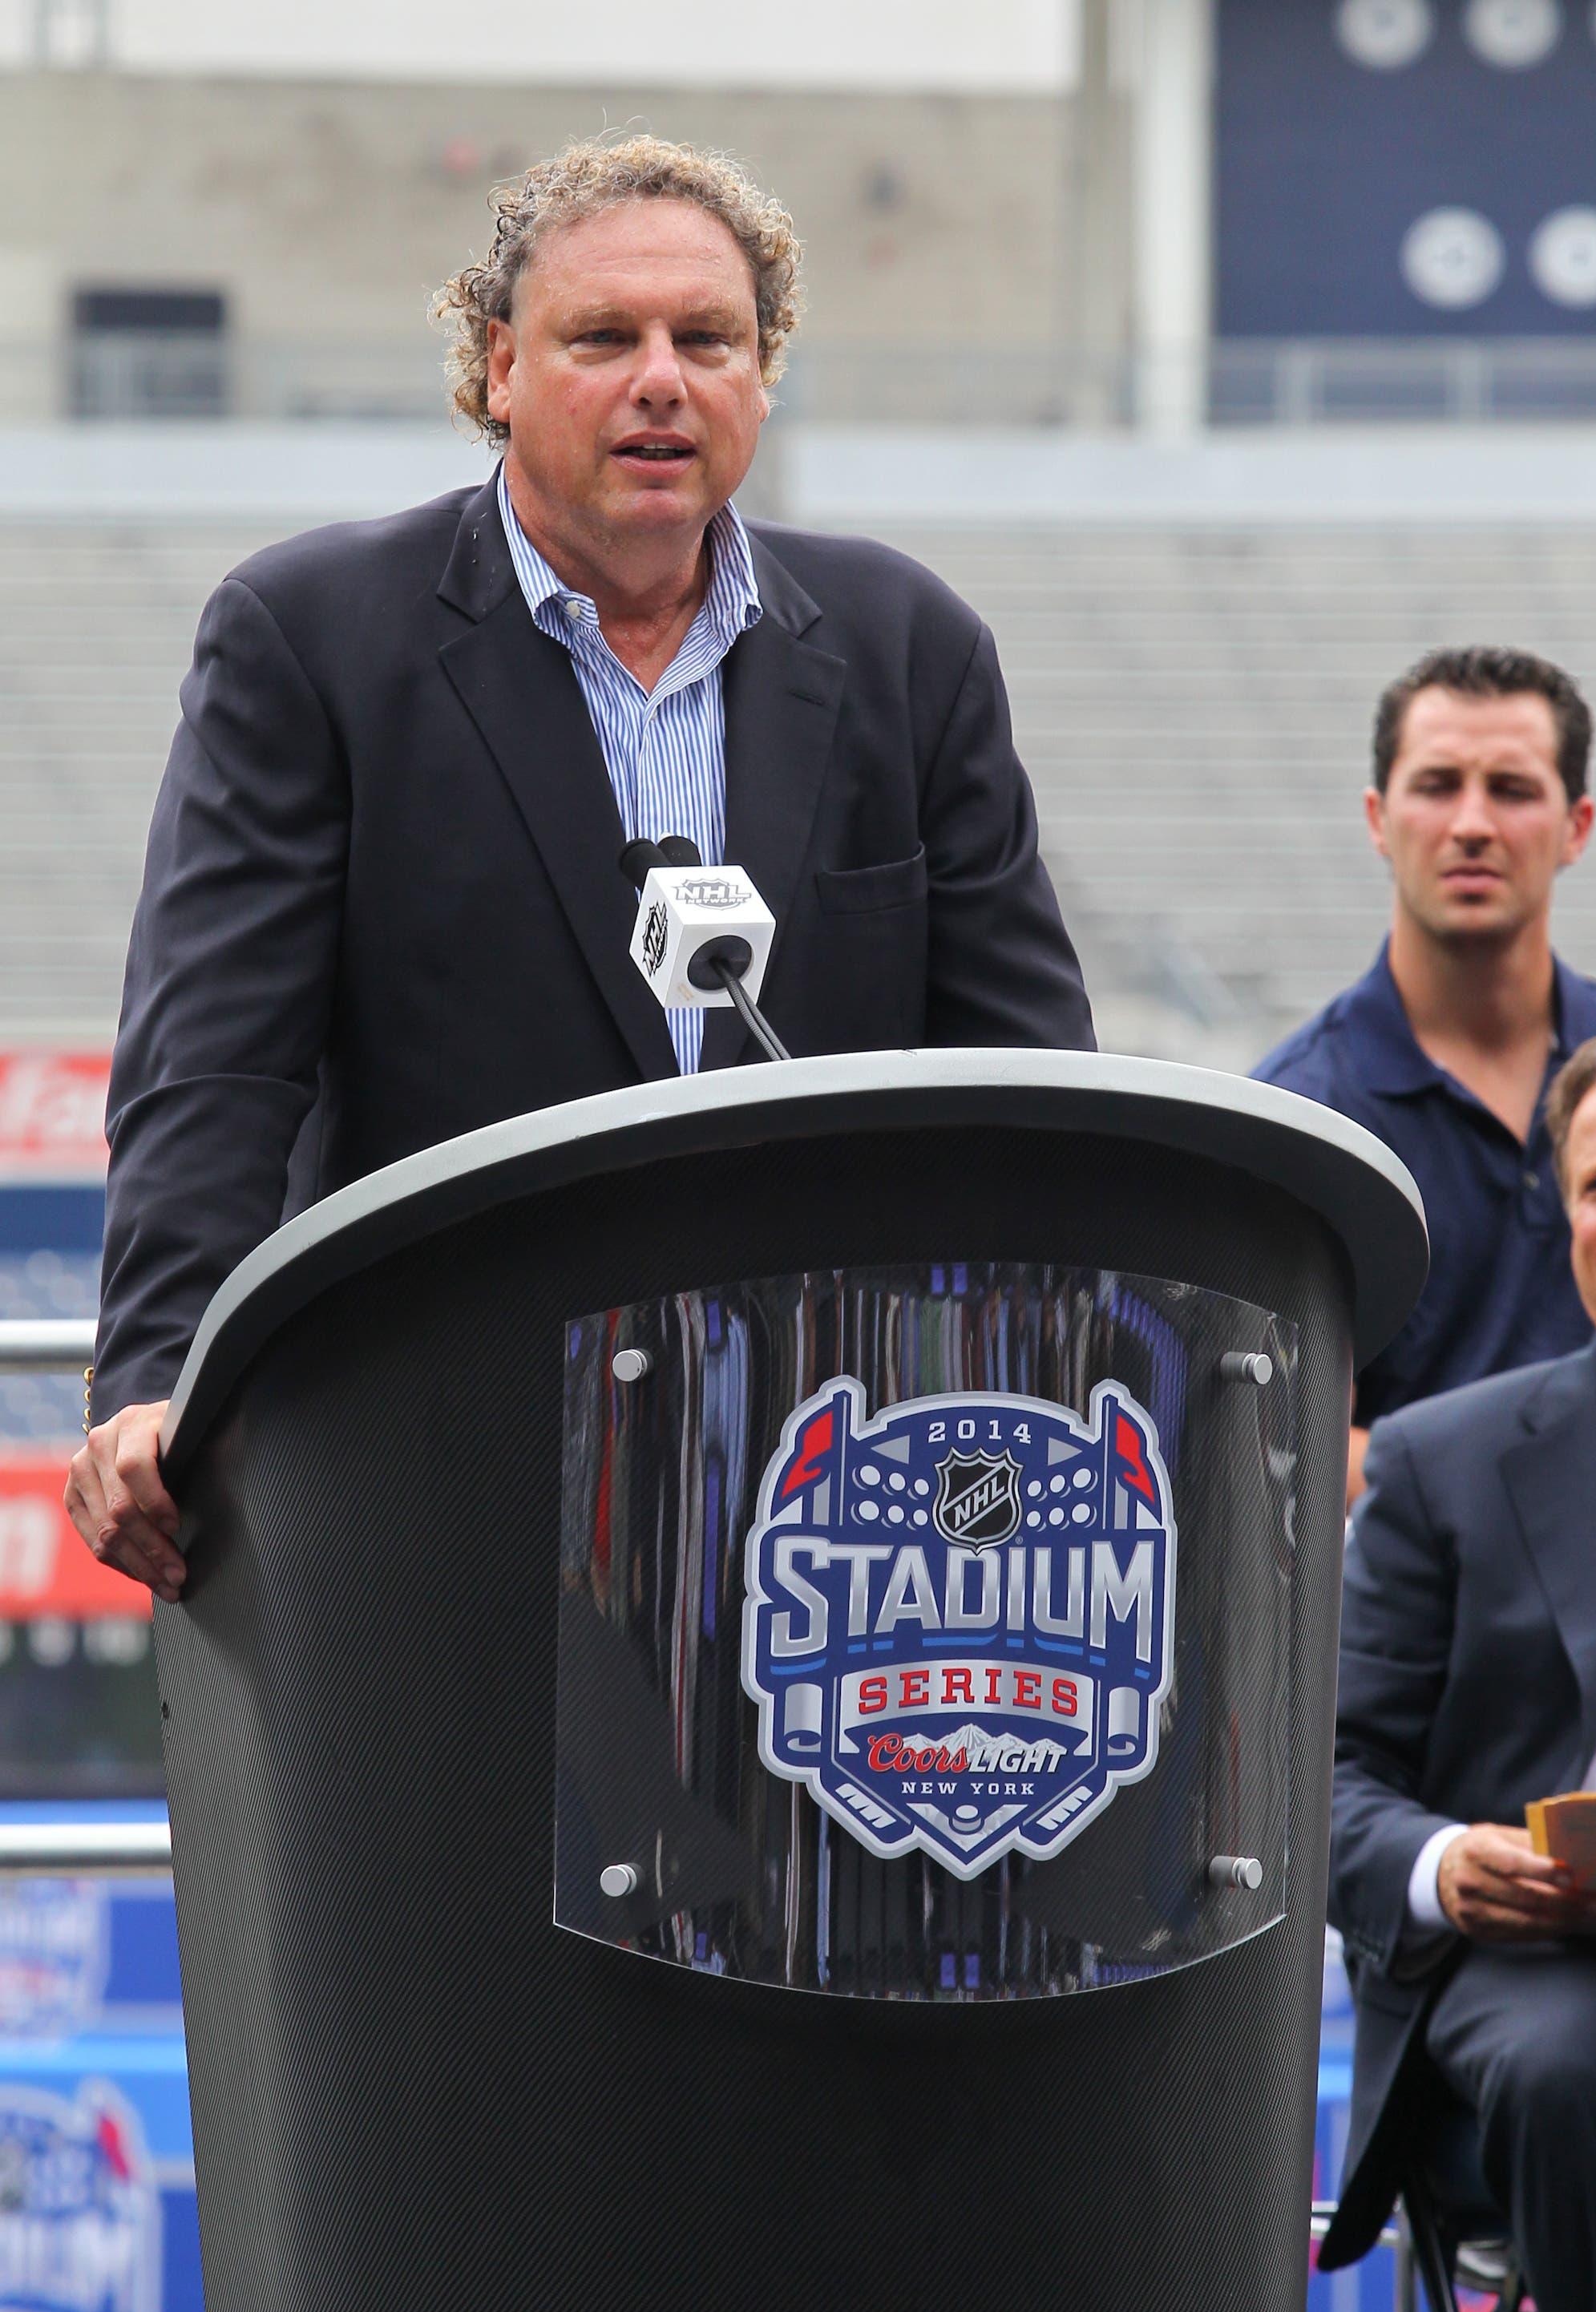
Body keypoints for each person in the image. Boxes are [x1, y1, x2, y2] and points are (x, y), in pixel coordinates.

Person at [64, 135, 1093, 1599]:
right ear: (498, 367)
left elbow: (1027, 1082)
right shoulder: (312, 635)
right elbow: (214, 1062)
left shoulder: (910, 646)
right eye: (603, 337)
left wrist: (1051, 1379)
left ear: (762, 371)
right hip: (438, 1455)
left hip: (834, 1481)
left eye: (708, 339)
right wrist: (157, 1376)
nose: (661, 378)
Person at [1318, 1033, 1596, 2312]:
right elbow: (1322, 1783)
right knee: (1571, 2068)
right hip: (1531, 1973)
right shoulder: (1442, 1461)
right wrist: (1445, 1867)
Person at [1255, 648, 1596, 1504]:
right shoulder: (1300, 1118)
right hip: (1413, 1616)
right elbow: (1273, 1425)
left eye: (1512, 790)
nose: (1472, 823)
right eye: (1437, 784)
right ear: (1378, 817)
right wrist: (1512, 1513)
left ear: (1576, 826)